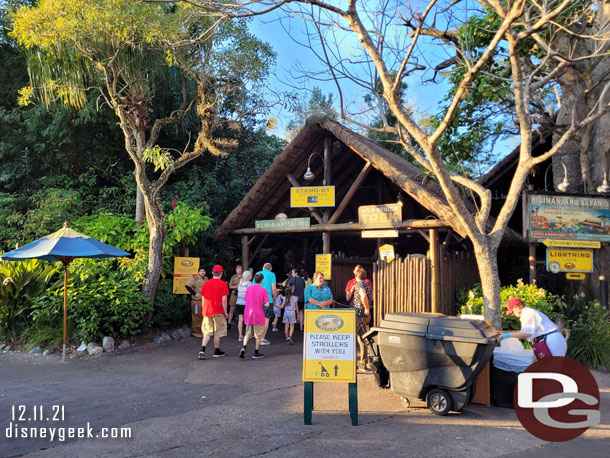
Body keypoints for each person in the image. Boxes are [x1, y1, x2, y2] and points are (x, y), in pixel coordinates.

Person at [500, 297, 567, 359]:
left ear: (519, 306)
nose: (512, 314)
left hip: (550, 341)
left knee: (550, 368)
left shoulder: (527, 314)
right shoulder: (528, 312)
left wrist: (505, 336)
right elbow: (523, 331)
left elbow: (525, 334)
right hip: (549, 340)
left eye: (512, 311)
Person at [198, 265, 229, 360]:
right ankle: (216, 350)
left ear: (212, 273)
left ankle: (202, 349)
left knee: (207, 331)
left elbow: (203, 298)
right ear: (221, 273)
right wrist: (226, 312)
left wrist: (203, 310)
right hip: (218, 311)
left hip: (207, 311)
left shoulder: (206, 283)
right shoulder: (223, 284)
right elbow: (224, 301)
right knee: (217, 332)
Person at [241, 272, 267, 359]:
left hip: (249, 313)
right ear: (262, 280)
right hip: (258, 314)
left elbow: (245, 301)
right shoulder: (263, 290)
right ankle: (256, 352)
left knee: (247, 333)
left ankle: (244, 347)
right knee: (258, 335)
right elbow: (266, 304)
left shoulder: (249, 289)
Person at [352, 268, 373, 371]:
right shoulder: (367, 285)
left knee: (351, 339)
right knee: (362, 339)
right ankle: (363, 364)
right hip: (365, 317)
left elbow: (363, 295)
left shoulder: (359, 285)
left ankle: (352, 364)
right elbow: (370, 297)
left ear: (356, 275)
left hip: (358, 314)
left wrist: (366, 308)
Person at [254, 262, 277, 345]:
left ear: (263, 268)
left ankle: (257, 336)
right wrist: (275, 298)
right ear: (270, 269)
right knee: (266, 319)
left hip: (257, 299)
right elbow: (274, 288)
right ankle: (262, 338)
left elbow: (254, 286)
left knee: (258, 318)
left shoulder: (258, 274)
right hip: (268, 299)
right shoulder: (272, 274)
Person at [185, 267, 208, 338]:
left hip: (205, 301)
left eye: (203, 271)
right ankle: (196, 332)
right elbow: (187, 286)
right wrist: (194, 293)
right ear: (198, 272)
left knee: (204, 316)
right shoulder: (195, 279)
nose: (202, 272)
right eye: (200, 271)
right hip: (196, 301)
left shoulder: (206, 279)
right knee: (196, 317)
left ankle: (203, 331)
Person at [235, 270, 253, 342]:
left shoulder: (240, 283)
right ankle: (248, 334)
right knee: (248, 319)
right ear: (249, 276)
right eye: (251, 275)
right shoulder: (250, 284)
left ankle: (240, 335)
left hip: (239, 303)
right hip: (246, 304)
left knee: (240, 319)